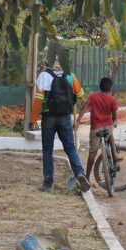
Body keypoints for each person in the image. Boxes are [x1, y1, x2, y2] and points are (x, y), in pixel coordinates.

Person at [30, 61, 91, 193]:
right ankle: (79, 173)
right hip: (65, 117)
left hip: (48, 117)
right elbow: (81, 95)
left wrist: (33, 119)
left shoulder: (44, 76)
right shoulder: (71, 76)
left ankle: (48, 184)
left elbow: (38, 99)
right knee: (70, 147)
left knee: (47, 150)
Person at [75, 76, 119, 178]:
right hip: (107, 126)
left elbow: (84, 108)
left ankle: (87, 177)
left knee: (92, 152)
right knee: (110, 135)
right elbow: (114, 116)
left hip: (96, 128)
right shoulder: (112, 99)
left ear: (100, 87)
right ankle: (115, 154)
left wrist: (77, 121)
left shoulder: (93, 96)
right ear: (110, 88)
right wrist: (114, 122)